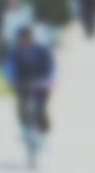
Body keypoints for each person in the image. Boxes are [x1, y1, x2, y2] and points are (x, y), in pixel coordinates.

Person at [4, 15, 57, 147]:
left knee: (40, 108)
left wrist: (50, 80)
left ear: (31, 38)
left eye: (27, 38)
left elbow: (51, 67)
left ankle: (44, 134)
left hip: (41, 83)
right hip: (22, 82)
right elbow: (9, 67)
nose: (24, 41)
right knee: (22, 105)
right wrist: (11, 79)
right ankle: (24, 128)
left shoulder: (41, 51)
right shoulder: (14, 52)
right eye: (21, 38)